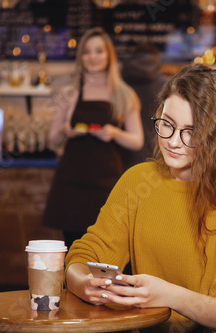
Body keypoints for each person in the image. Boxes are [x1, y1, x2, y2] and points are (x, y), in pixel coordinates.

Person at [65, 63, 216, 333]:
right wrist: (83, 283)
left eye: (191, 131)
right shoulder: (138, 181)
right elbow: (83, 254)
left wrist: (168, 296)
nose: (174, 141)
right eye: (168, 124)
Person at [42, 27, 143, 249]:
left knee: (107, 248)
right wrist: (64, 132)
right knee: (73, 249)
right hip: (72, 184)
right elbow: (52, 141)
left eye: (99, 51)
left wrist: (115, 133)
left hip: (107, 184)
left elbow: (137, 140)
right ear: (81, 57)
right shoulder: (69, 93)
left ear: (109, 55)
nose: (93, 57)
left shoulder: (124, 94)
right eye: (87, 52)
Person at [120, 42, 168, 169]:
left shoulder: (118, 83)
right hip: (156, 156)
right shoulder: (167, 86)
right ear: (157, 59)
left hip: (123, 157)